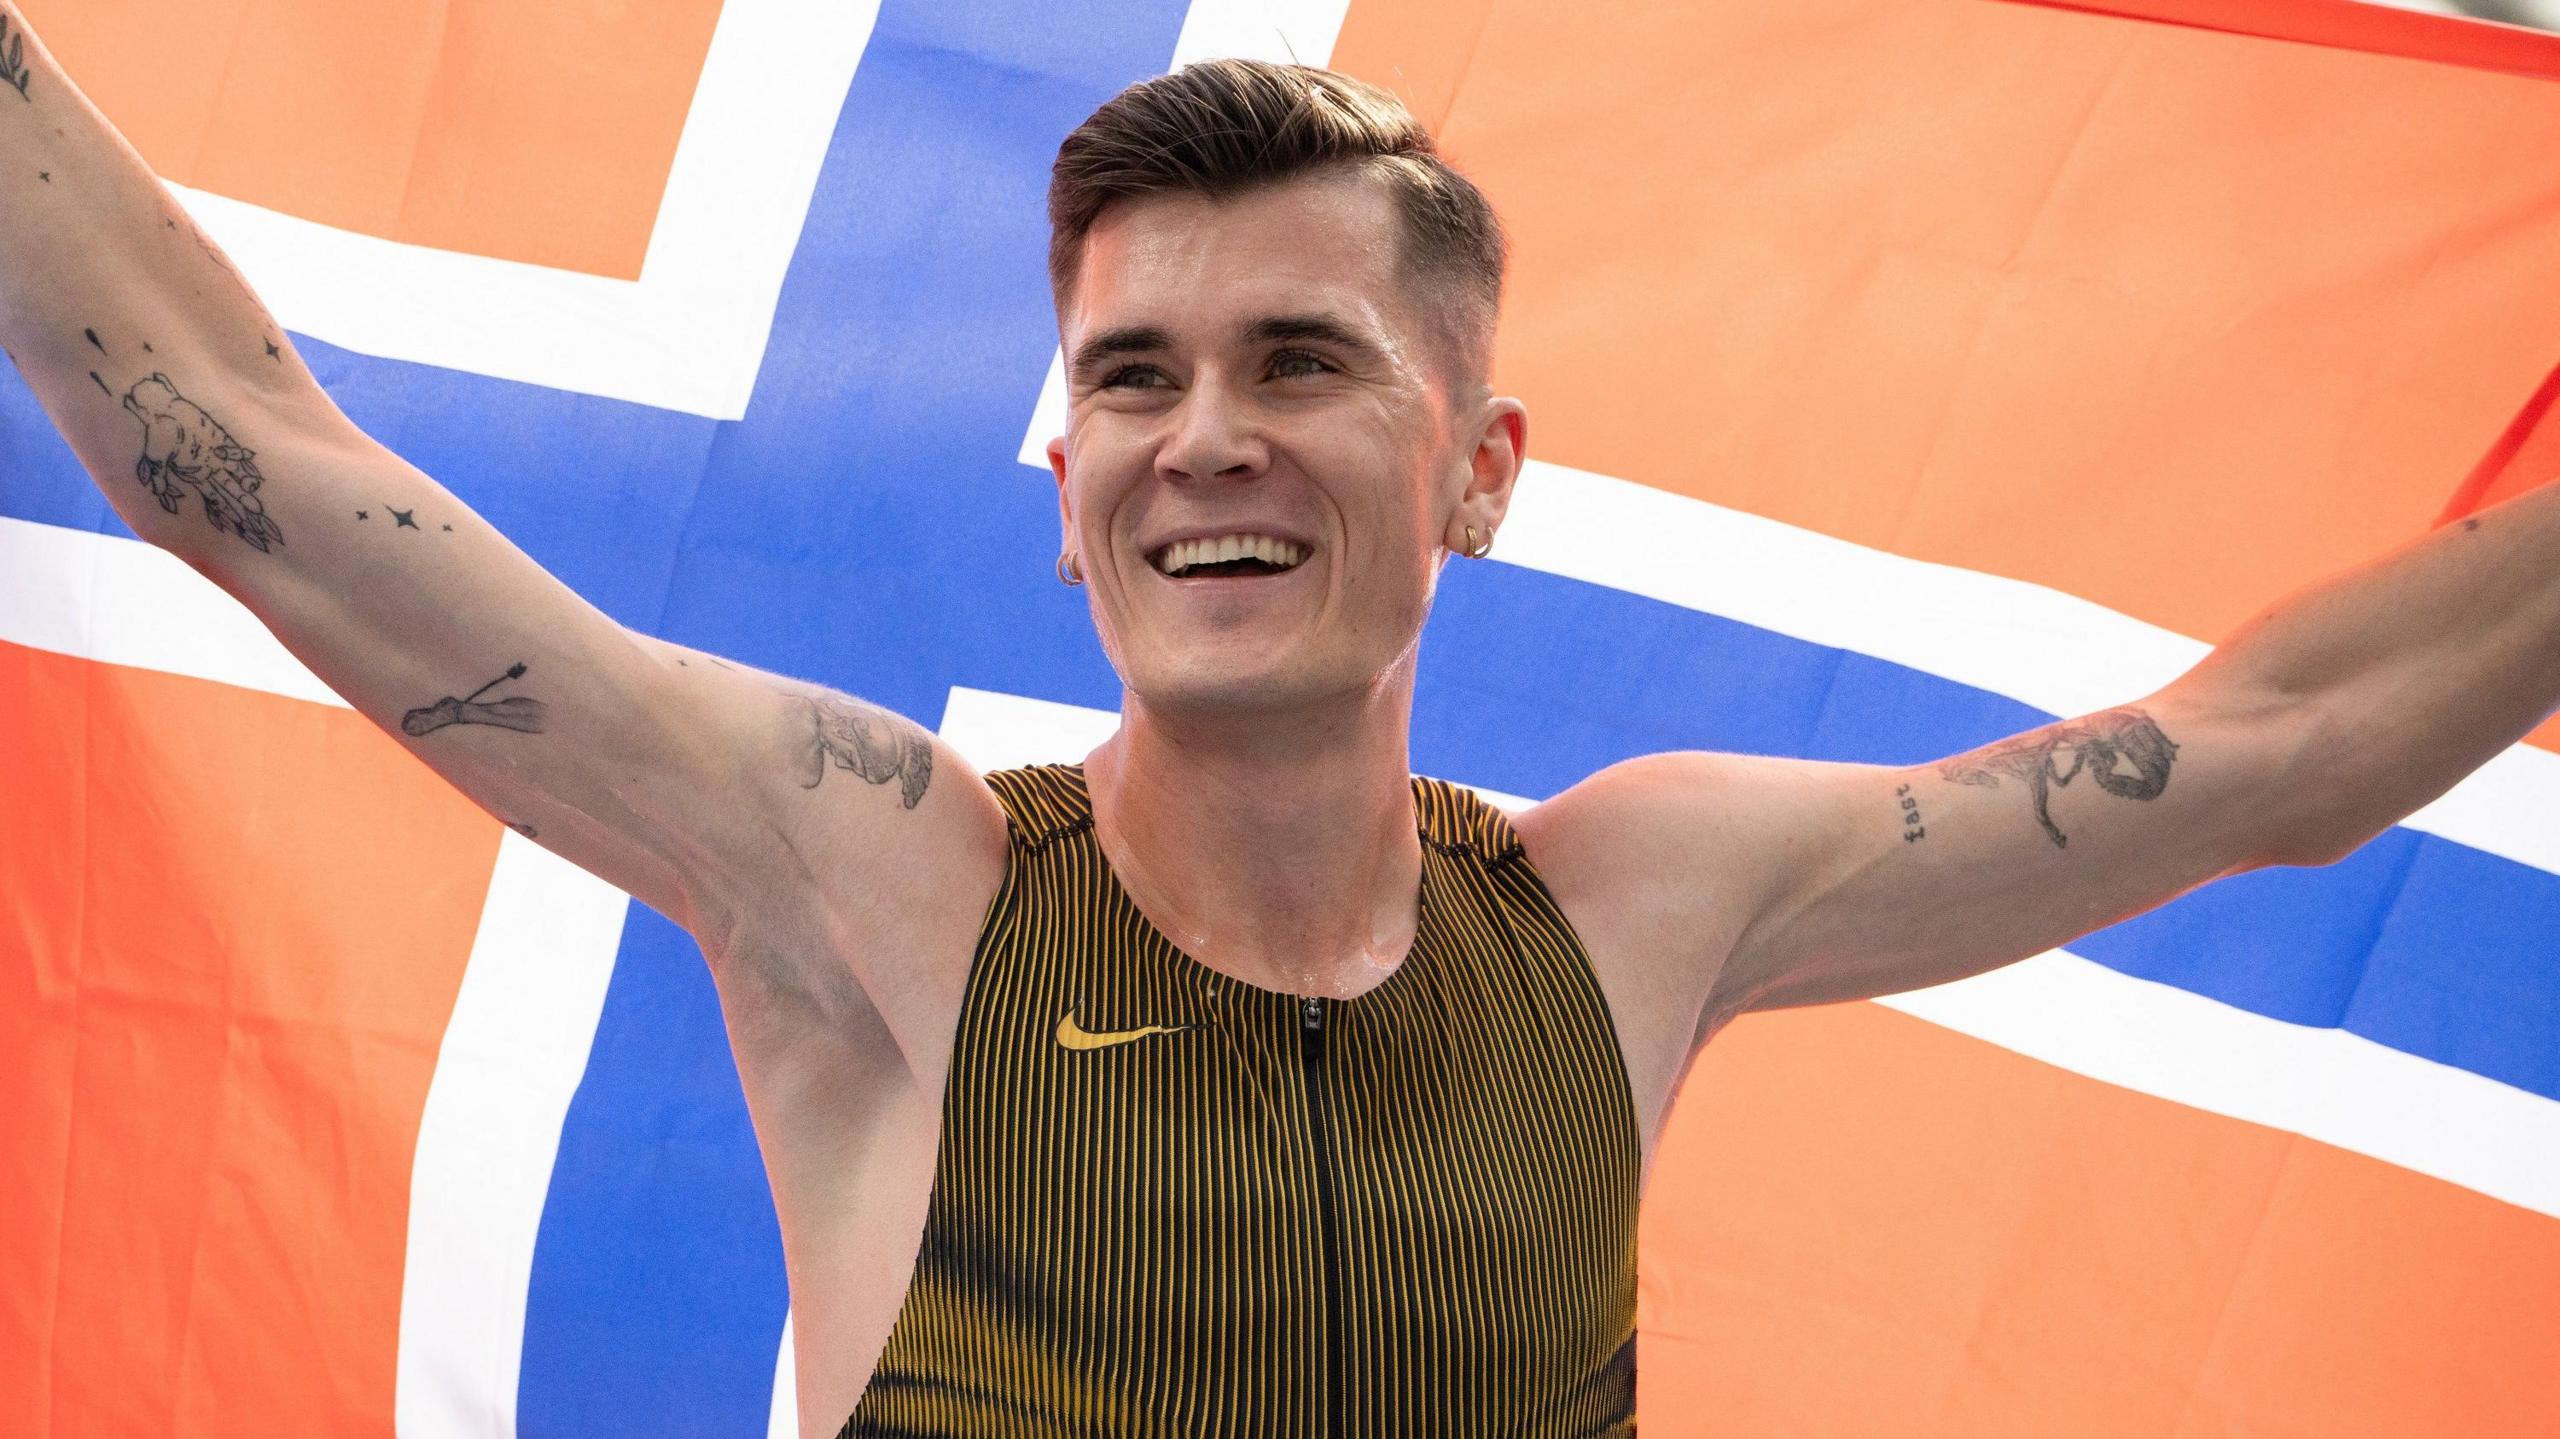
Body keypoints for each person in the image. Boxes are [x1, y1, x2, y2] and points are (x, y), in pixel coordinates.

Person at [2, 19, 2555, 1434]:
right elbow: (270, 478)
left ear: (1477, 470)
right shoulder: (876, 875)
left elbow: (2284, 746)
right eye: (1131, 376)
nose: (1197, 433)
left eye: (1295, 361)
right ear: (1068, 474)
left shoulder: (1637, 902)